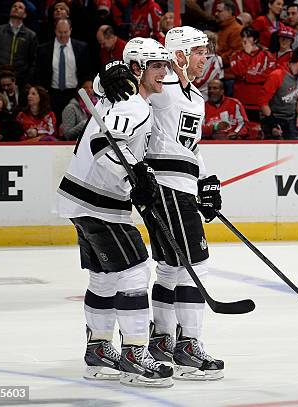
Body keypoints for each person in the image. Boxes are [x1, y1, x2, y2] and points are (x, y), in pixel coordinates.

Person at [100, 26, 226, 381]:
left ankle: (162, 340)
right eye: (200, 51)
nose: (206, 58)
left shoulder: (195, 98)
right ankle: (188, 346)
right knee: (195, 265)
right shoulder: (165, 86)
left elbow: (191, 149)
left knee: (172, 267)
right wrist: (105, 77)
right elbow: (121, 86)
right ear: (181, 55)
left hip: (182, 186)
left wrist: (206, 181)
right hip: (165, 187)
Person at [57, 37, 175, 387]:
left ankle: (98, 349)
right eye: (157, 66)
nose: (164, 73)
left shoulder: (120, 97)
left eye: (165, 66)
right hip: (99, 202)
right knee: (136, 271)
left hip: (81, 198)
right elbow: (102, 145)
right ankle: (134, 353)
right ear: (137, 69)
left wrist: (139, 175)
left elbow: (103, 89)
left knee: (104, 277)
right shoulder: (134, 105)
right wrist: (132, 174)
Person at [36, 18, 90, 122]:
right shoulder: (43, 49)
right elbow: (39, 72)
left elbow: (86, 71)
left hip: (73, 93)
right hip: (52, 93)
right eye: (60, 32)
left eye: (66, 32)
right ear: (55, 31)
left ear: (70, 30)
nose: (63, 35)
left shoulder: (81, 47)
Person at [259, 46, 298, 139]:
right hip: (273, 117)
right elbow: (263, 103)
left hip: (290, 118)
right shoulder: (277, 75)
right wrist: (273, 124)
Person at [0, 1, 38, 90]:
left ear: (25, 15)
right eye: (14, 6)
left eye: (20, 7)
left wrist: (27, 79)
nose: (16, 8)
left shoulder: (31, 35)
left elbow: (33, 60)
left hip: (20, 82)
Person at [230, 27, 277, 122]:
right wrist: (246, 54)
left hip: (259, 102)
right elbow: (239, 73)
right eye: (243, 36)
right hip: (241, 101)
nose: (244, 39)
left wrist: (248, 78)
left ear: (255, 39)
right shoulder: (235, 56)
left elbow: (268, 77)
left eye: (248, 37)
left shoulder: (267, 56)